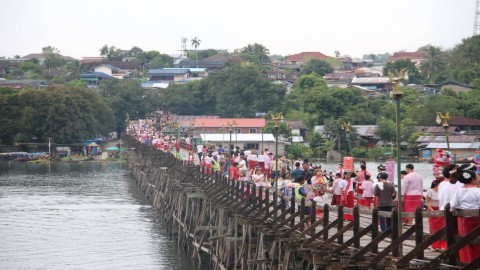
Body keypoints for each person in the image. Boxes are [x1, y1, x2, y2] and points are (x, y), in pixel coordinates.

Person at [449, 167, 480, 263]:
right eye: (477, 177)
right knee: (477, 241)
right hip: (477, 219)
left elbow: (453, 206)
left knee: (468, 240)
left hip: (465, 220)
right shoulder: (477, 191)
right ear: (472, 179)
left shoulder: (459, 191)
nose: (478, 178)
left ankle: (468, 260)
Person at [425, 179, 446, 252]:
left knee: (441, 228)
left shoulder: (443, 192)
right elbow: (427, 202)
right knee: (433, 228)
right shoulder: (430, 191)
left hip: (440, 210)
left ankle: (441, 245)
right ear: (436, 185)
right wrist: (432, 210)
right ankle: (433, 245)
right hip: (432, 209)